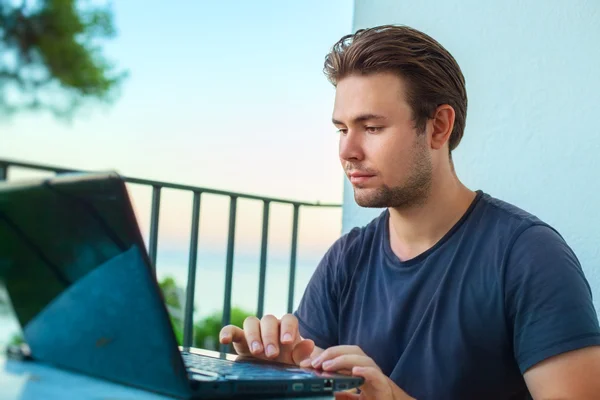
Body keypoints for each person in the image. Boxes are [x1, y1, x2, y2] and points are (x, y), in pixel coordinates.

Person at [219, 25, 600, 399]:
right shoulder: (345, 261)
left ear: (439, 127)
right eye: (341, 129)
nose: (347, 151)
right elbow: (317, 380)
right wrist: (280, 372)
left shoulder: (528, 256)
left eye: (371, 127)